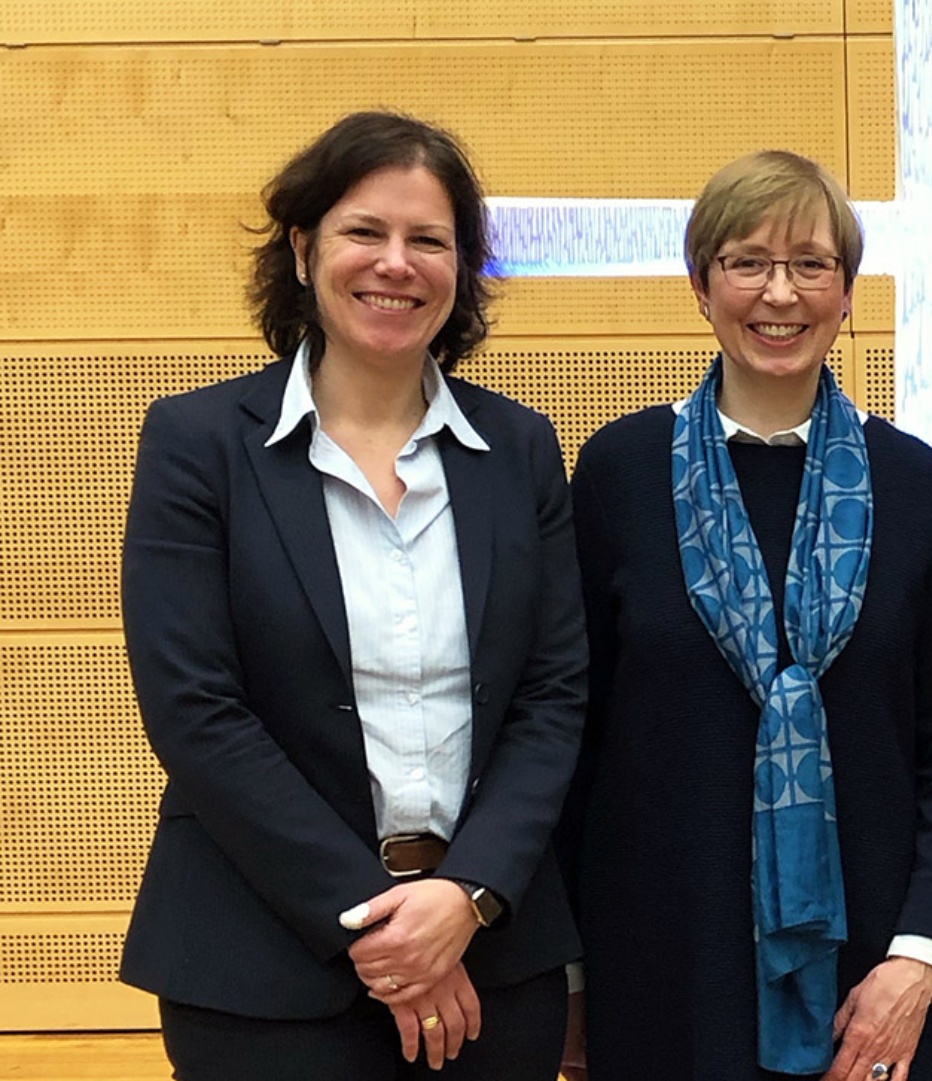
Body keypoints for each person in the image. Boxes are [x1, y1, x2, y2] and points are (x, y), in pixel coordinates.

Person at [119, 111, 588, 1079]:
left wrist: (466, 895)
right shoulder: (197, 445)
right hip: (262, 966)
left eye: (429, 240)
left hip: (490, 956)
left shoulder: (521, 450)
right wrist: (380, 927)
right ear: (302, 250)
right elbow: (196, 711)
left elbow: (553, 697)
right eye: (364, 231)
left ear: (462, 268)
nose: (396, 263)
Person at [561, 149, 932, 1081]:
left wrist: (923, 957)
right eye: (748, 261)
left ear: (846, 293)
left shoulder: (917, 485)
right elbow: (570, 733)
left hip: (876, 977)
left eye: (811, 264)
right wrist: (568, 974)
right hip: (663, 967)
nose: (780, 292)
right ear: (701, 285)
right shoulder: (617, 475)